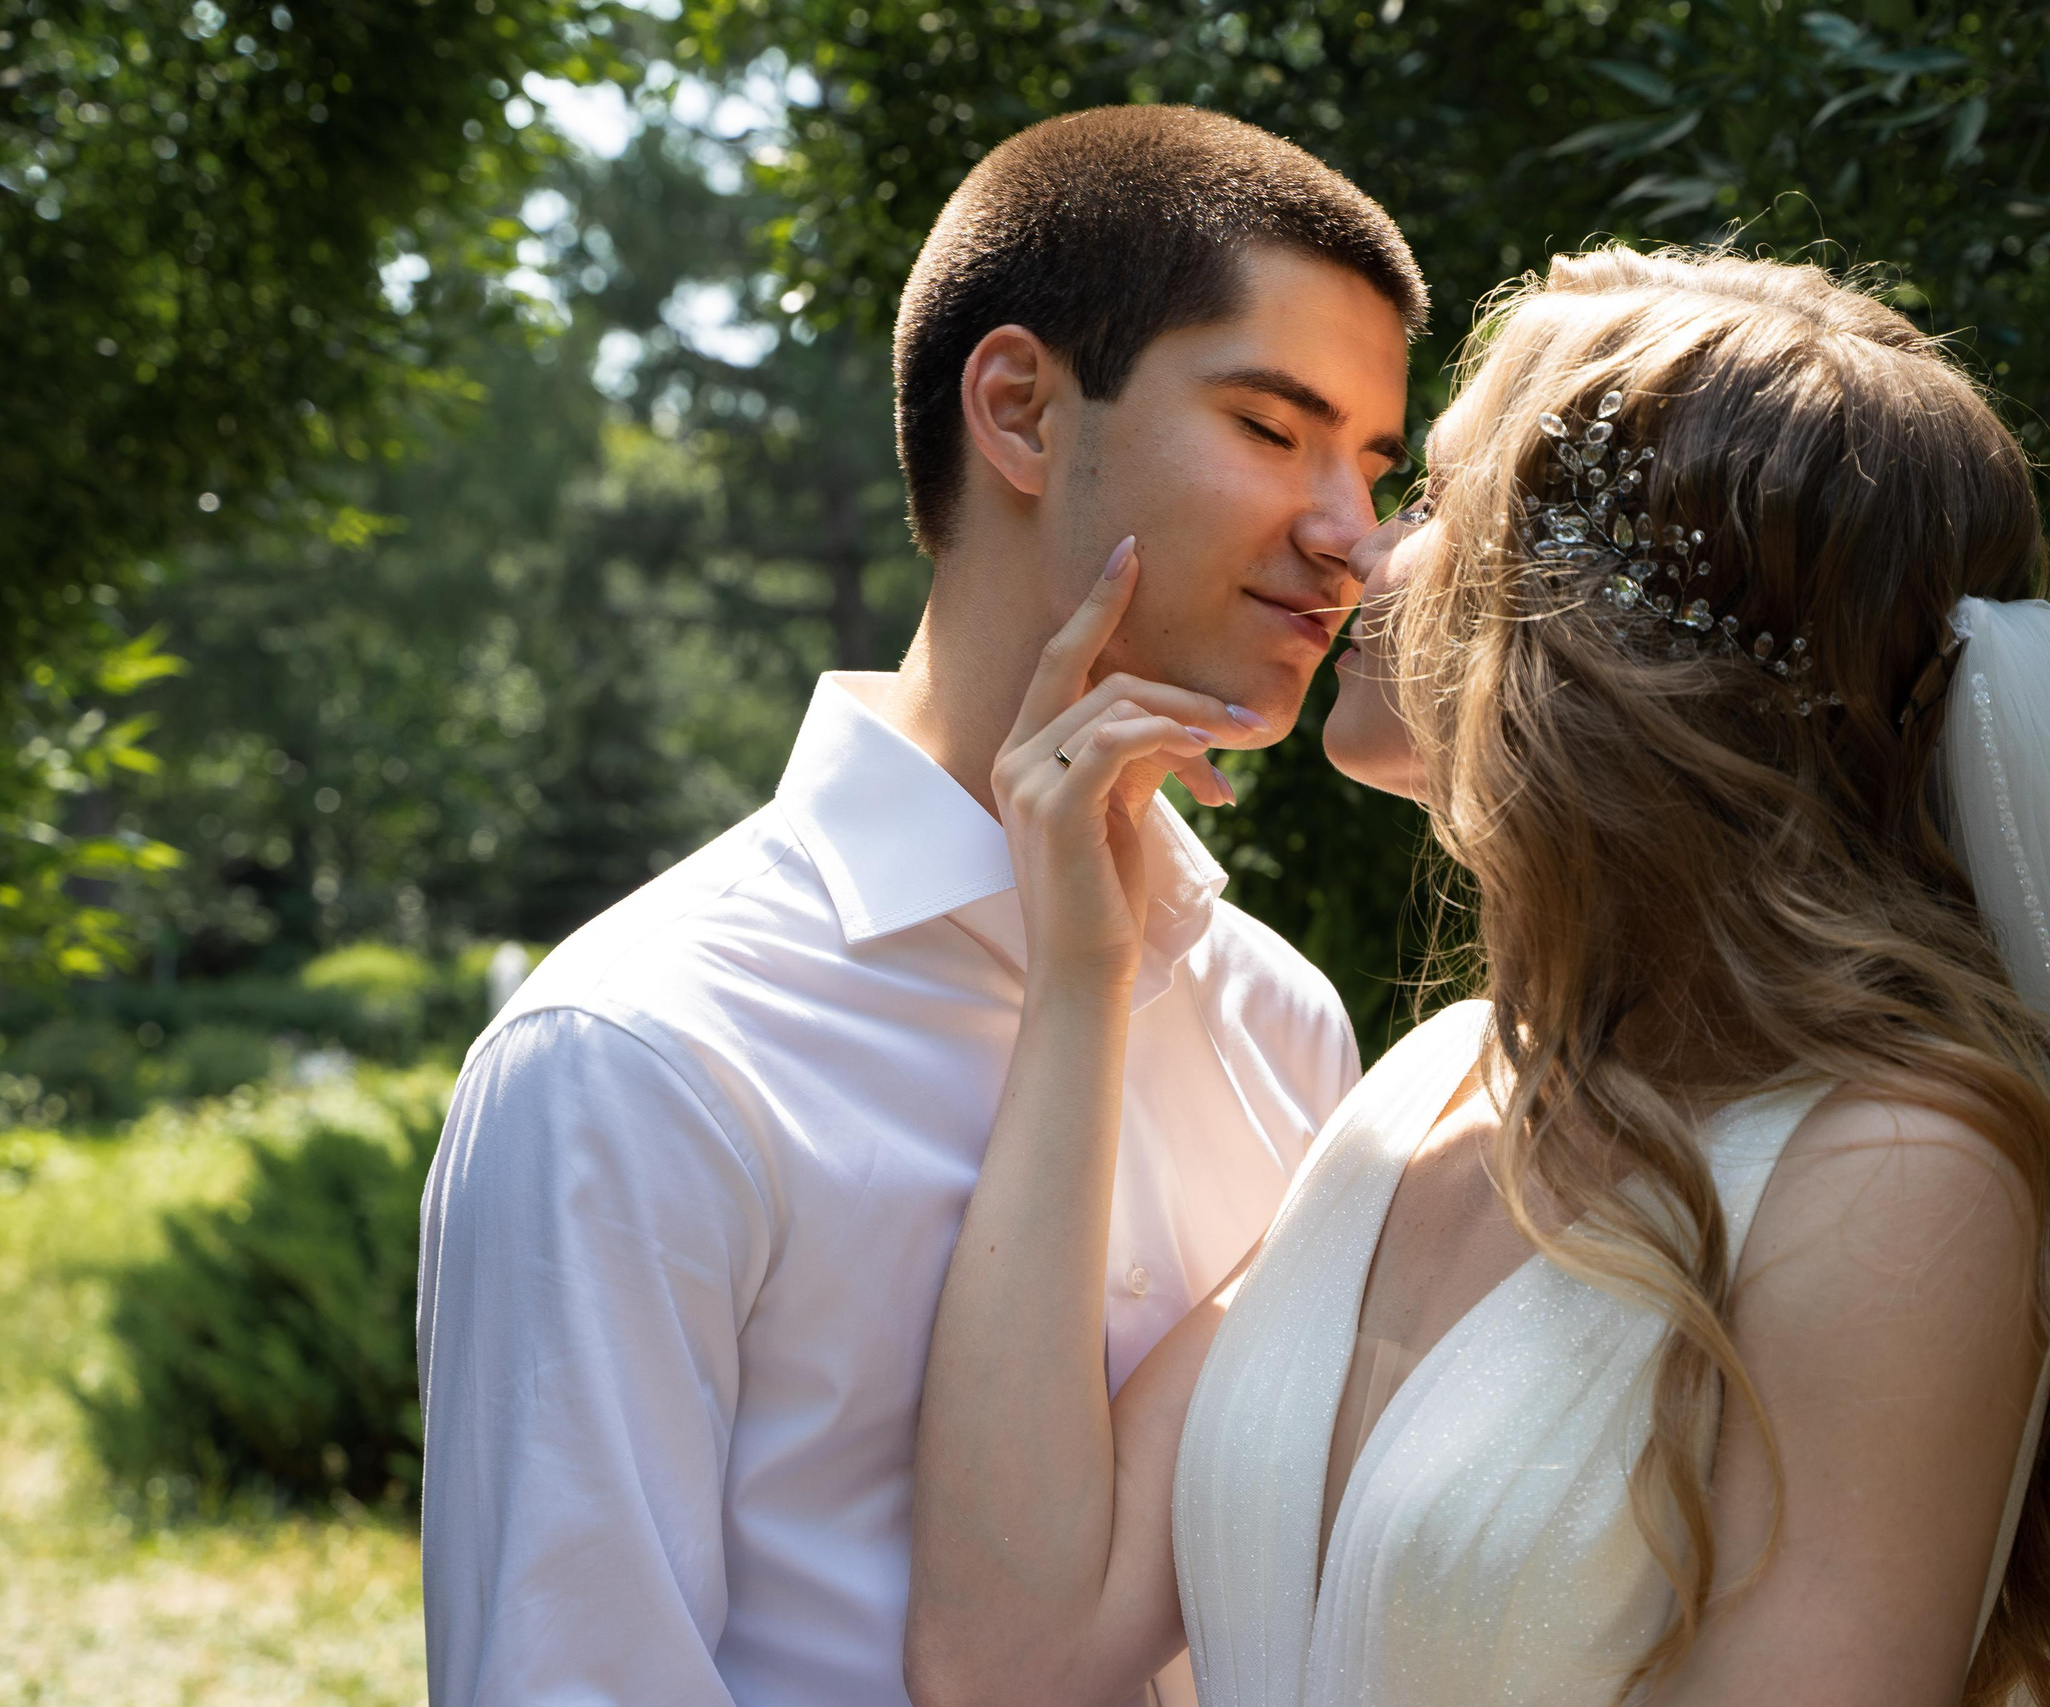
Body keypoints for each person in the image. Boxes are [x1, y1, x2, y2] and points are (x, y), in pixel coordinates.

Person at [903, 246, 2050, 1707]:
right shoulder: (1426, 1089)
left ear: (1596, 623)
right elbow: (1007, 1653)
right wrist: (1078, 986)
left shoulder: (1896, 1172)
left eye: (1428, 496)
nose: (1358, 546)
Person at [414, 106, 1425, 1707]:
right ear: (1019, 410)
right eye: (1272, 427)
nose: (1350, 537)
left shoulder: (1279, 1016)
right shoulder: (637, 1056)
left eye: (1371, 460)